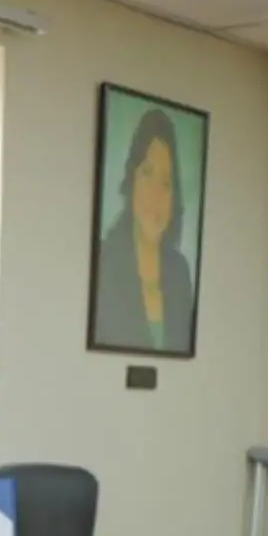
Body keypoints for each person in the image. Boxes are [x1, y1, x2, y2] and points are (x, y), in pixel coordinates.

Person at [91, 106, 197, 354]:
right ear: (131, 181)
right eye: (147, 174)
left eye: (166, 183)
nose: (156, 195)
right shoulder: (106, 262)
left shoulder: (180, 273)